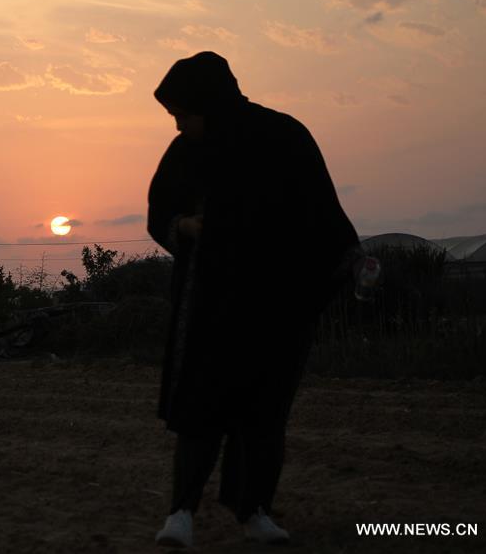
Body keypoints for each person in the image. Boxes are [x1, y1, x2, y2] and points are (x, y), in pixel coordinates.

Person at [146, 51, 367, 547]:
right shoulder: (185, 152)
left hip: (275, 306)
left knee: (263, 415)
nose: (178, 123)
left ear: (208, 101)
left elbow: (323, 210)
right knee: (201, 409)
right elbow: (160, 209)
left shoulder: (284, 137)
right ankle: (181, 513)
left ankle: (255, 512)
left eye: (183, 112)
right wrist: (182, 226)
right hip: (208, 306)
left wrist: (353, 258)